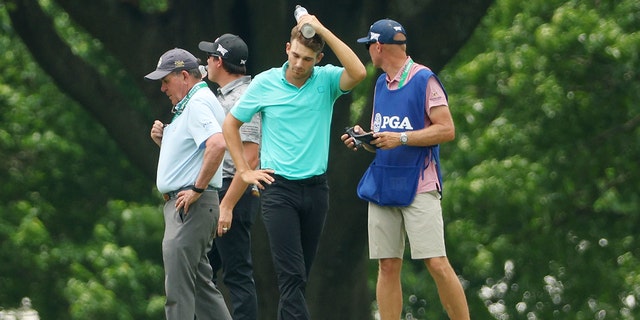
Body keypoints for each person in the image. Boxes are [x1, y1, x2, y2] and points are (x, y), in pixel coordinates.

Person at [222, 13, 367, 320]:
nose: (300, 64)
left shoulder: (326, 80)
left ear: (319, 58)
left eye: (308, 59)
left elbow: (358, 71)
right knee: (291, 276)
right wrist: (244, 171)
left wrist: (323, 29)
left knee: (298, 279)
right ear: (287, 48)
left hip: (316, 190)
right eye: (296, 55)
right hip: (278, 190)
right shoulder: (264, 83)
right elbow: (231, 125)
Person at [342, 19, 470, 320]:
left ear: (378, 47)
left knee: (436, 262)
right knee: (387, 264)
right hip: (384, 183)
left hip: (419, 184)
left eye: (368, 47)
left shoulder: (424, 79)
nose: (368, 53)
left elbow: (446, 130)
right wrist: (366, 139)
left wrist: (401, 138)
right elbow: (384, 137)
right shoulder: (380, 84)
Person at [145, 48, 232, 320]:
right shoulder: (193, 103)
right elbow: (194, 152)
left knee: (178, 291)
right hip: (189, 206)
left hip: (189, 206)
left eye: (165, 81)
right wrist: (165, 139)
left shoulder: (197, 103)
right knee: (201, 288)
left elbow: (217, 144)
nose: (162, 88)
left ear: (184, 75)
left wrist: (196, 188)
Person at [199, 34, 261, 320]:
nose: (206, 62)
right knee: (201, 272)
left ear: (219, 62)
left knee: (236, 273)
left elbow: (249, 159)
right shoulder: (221, 96)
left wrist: (228, 205)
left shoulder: (244, 98)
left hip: (232, 192)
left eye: (210, 57)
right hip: (217, 190)